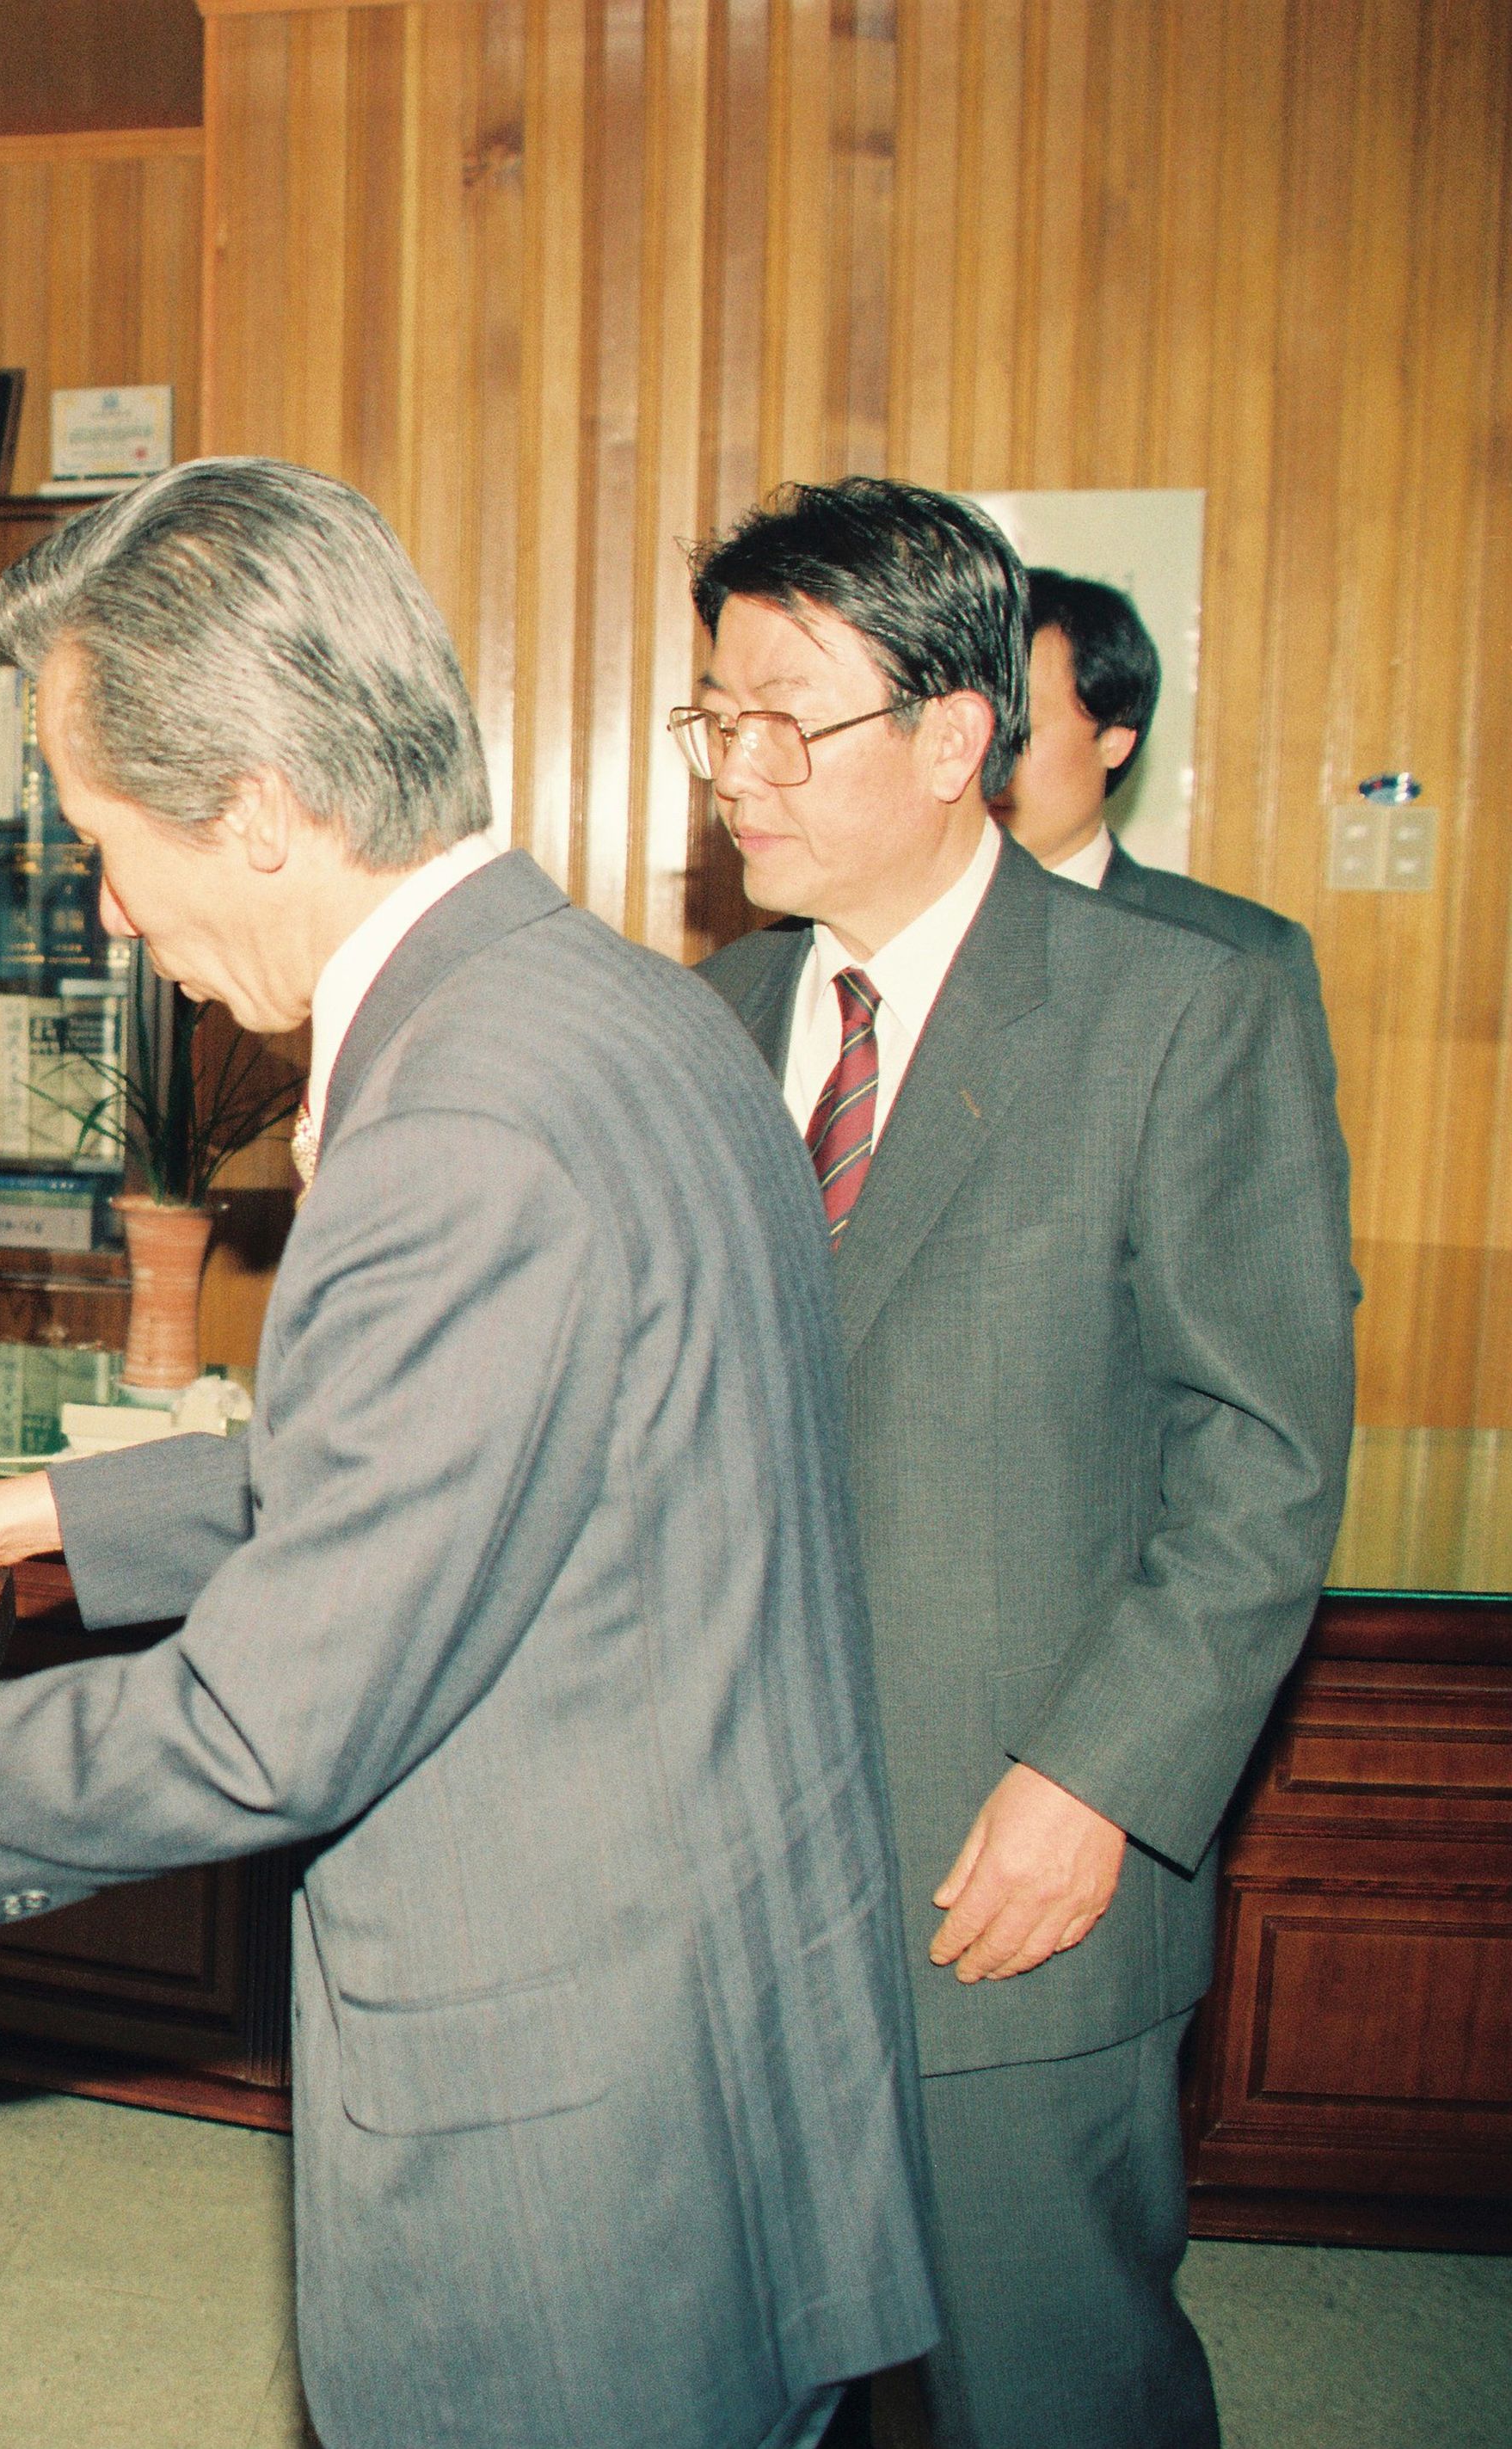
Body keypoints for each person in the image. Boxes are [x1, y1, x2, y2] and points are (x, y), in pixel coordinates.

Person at [0, 458, 938, 2449]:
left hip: (576, 2148)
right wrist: (28, 1507)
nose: (109, 907)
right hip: (719, 2033)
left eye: (105, 841)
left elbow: (276, 1719)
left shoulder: (457, 1123)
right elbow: (474, 1473)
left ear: (261, 812)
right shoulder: (620, 1005)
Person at [683, 480, 1357, 2449]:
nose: (734, 769)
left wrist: (1100, 1780)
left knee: (1044, 2384)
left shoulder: (1182, 1006)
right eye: (711, 717)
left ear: (952, 735)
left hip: (1007, 1861)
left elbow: (1261, 1456)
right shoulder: (711, 1016)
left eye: (784, 719)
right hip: (722, 1872)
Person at [1003, 566, 1340, 1109]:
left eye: (1016, 732)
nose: (984, 761)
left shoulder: (1242, 956)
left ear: (1113, 740)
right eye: (965, 727)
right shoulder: (879, 928)